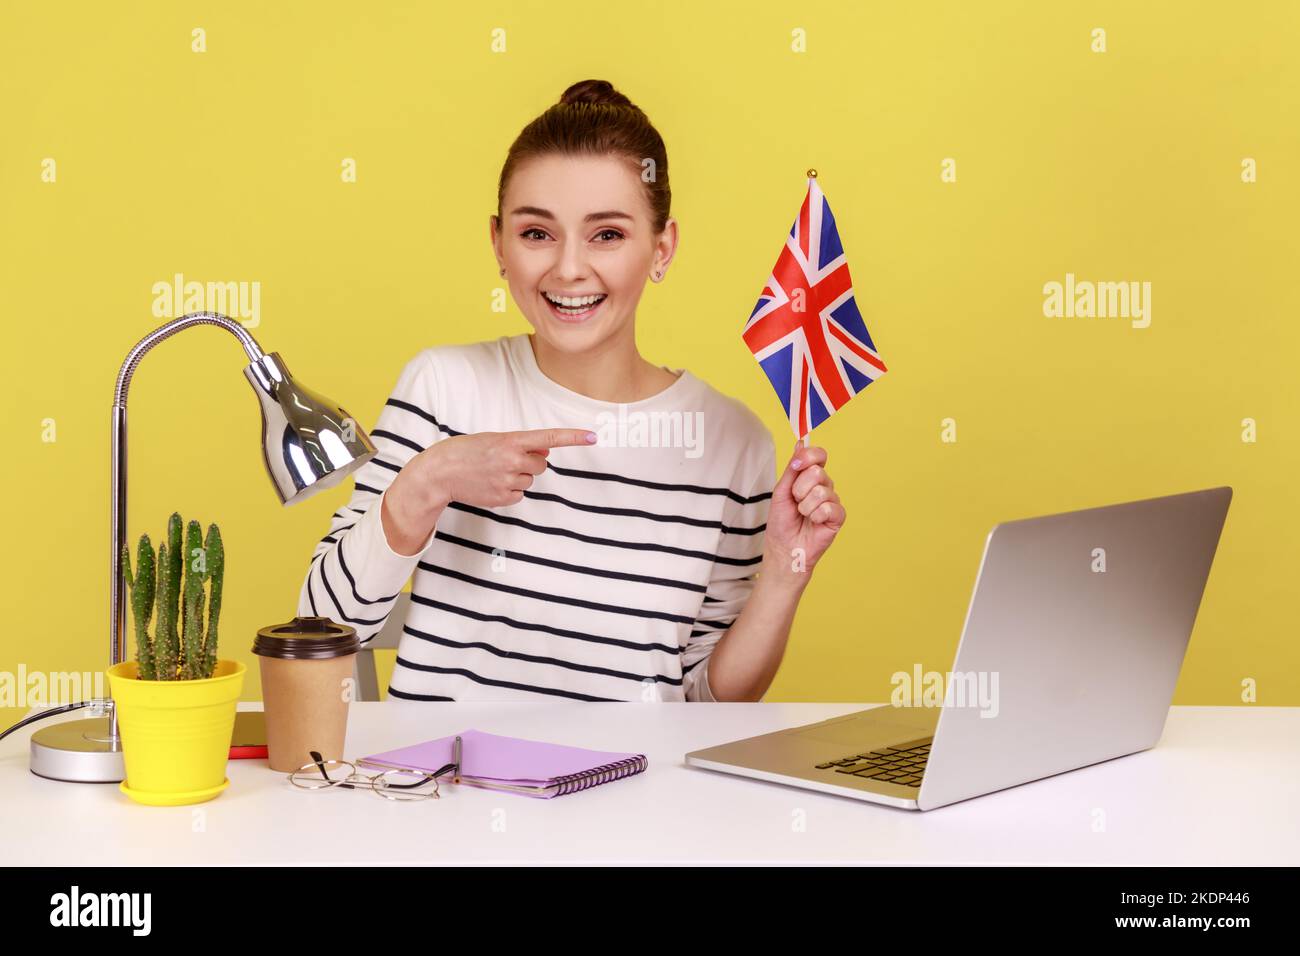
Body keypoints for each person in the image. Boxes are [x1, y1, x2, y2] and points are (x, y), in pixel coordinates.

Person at [296, 79, 846, 702]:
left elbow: (706, 703)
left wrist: (783, 573)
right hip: (448, 789)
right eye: (537, 233)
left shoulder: (732, 442)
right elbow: (324, 627)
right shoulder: (445, 387)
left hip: (634, 791)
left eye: (606, 234)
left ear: (661, 249)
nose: (568, 269)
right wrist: (429, 480)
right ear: (498, 244)